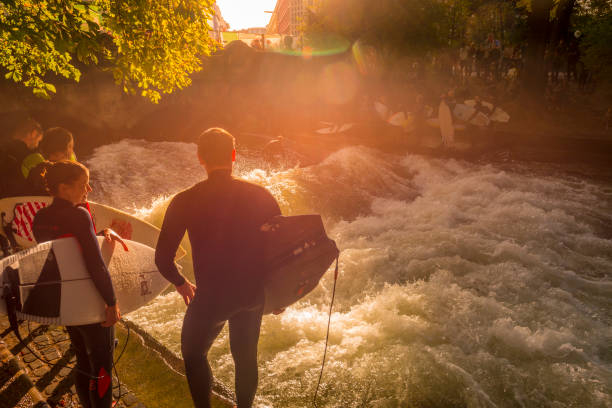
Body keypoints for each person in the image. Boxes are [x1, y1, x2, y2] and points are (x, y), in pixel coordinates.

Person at [155, 128, 282, 408]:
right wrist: (280, 293)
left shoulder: (185, 200)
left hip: (213, 296)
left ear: (200, 158)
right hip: (252, 294)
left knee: (193, 353)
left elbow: (162, 258)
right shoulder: (260, 195)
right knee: (245, 356)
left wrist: (180, 282)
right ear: (234, 155)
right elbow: (282, 246)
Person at [32, 160, 123, 408]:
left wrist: (100, 232)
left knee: (83, 360)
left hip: (66, 303)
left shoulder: (39, 219)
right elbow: (95, 264)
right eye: (83, 184)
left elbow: (66, 253)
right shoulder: (79, 215)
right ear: (64, 188)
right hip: (91, 303)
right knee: (102, 366)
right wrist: (111, 301)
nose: (88, 190)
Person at [0, 117, 43, 198]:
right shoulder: (32, 157)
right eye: (38, 141)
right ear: (33, 133)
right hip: (21, 204)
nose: (37, 145)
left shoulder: (2, 150)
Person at [27, 127, 76, 195]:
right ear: (67, 148)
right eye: (70, 147)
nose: (71, 151)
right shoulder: (67, 172)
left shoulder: (34, 169)